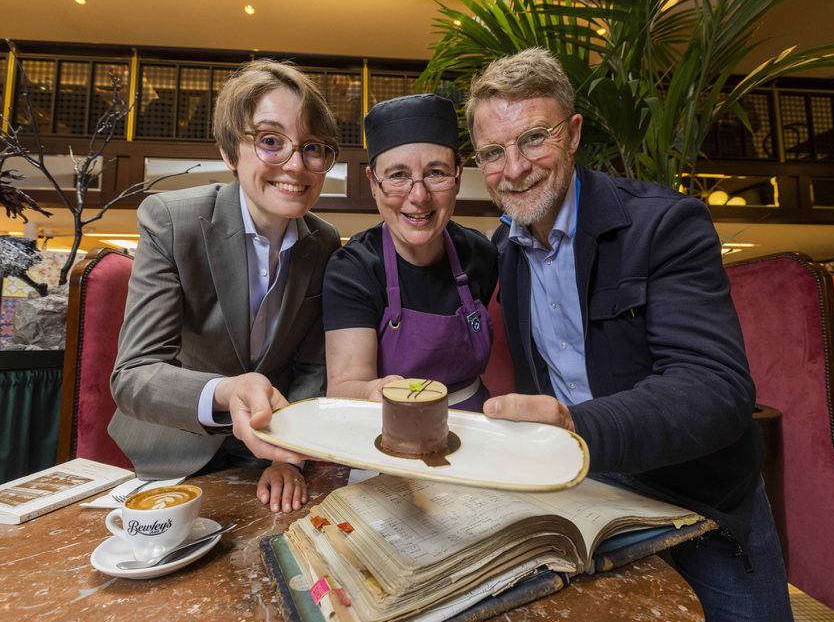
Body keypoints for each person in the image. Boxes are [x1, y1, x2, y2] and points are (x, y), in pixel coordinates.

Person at [468, 49, 793, 620]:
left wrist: (576, 428)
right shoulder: (505, 251)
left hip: (701, 502)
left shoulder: (665, 224)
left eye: (533, 139)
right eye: (493, 151)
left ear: (572, 134)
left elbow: (716, 389)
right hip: (589, 500)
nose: (513, 168)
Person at [109, 59, 341, 514]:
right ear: (229, 151)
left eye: (313, 147)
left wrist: (286, 451)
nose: (296, 166)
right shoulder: (171, 220)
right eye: (271, 142)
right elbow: (133, 375)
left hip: (271, 453)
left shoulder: (326, 241)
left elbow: (313, 365)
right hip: (172, 453)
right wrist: (226, 391)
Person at [323, 94, 497, 410]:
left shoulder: (482, 255)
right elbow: (345, 386)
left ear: (457, 176)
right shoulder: (354, 269)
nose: (419, 196)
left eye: (436, 173)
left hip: (477, 427)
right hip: (386, 428)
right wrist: (376, 392)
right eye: (398, 175)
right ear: (373, 183)